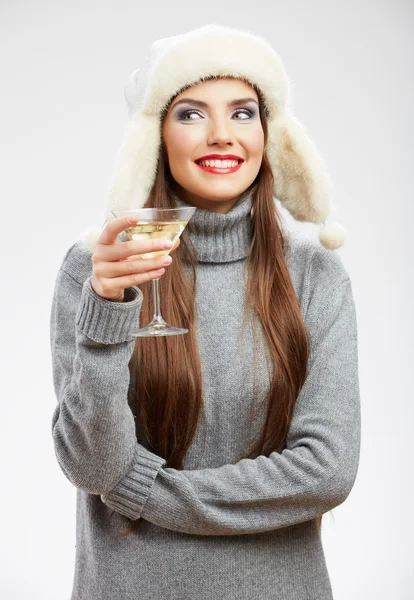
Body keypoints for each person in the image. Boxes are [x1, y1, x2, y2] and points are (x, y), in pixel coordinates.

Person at [50, 24, 361, 600]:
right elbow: (93, 467)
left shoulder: (316, 275)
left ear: (270, 133)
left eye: (243, 113)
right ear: (155, 137)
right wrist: (106, 316)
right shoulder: (96, 270)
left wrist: (144, 492)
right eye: (191, 114)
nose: (222, 135)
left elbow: (327, 469)